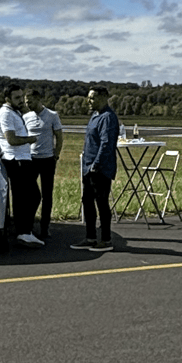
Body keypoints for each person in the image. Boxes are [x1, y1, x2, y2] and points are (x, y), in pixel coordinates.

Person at [0, 84, 43, 248]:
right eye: (17, 98)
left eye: (22, 97)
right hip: (17, 159)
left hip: (19, 158)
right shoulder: (7, 114)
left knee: (23, 197)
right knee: (31, 196)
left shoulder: (13, 112)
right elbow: (12, 139)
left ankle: (23, 230)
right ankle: (24, 231)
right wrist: (30, 139)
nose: (21, 100)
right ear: (7, 99)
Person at [72, 86, 119, 252]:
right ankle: (90, 237)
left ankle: (106, 240)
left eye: (92, 98)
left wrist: (96, 165)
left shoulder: (108, 117)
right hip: (88, 166)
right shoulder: (94, 116)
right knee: (87, 201)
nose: (88, 101)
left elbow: (107, 143)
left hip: (100, 168)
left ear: (104, 97)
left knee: (101, 202)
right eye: (88, 98)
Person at [23, 88, 64, 240]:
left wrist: (56, 154)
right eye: (26, 102)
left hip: (47, 160)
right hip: (31, 159)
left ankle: (45, 227)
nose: (28, 105)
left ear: (38, 99)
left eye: (30, 101)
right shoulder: (26, 117)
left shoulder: (52, 115)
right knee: (30, 194)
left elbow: (59, 136)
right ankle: (29, 224)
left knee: (47, 195)